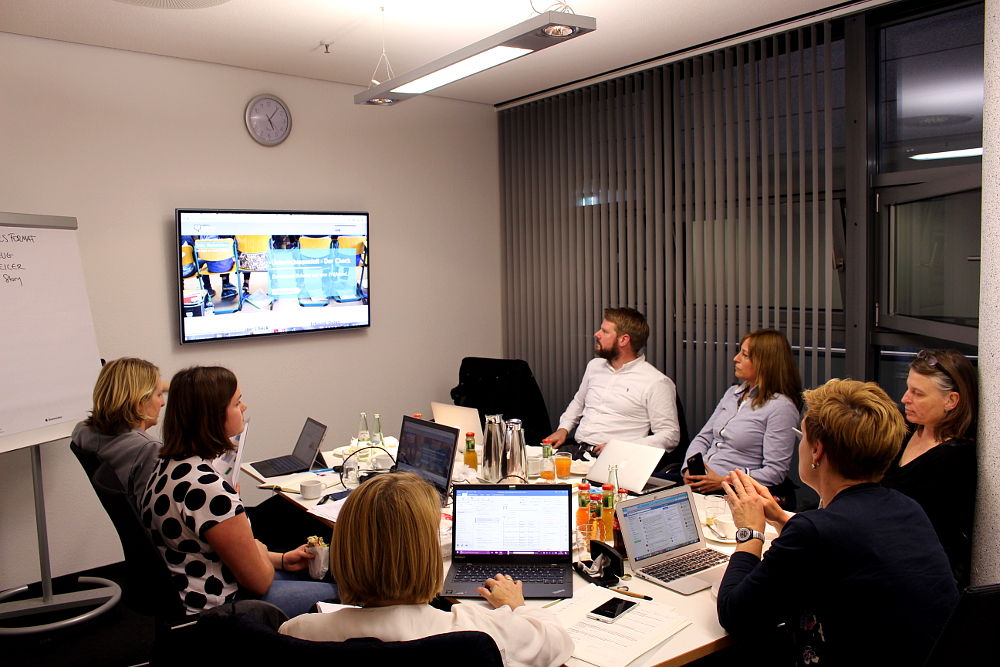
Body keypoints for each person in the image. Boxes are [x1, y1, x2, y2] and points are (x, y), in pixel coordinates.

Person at [717, 379, 958, 666]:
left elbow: (736, 615)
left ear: (818, 449)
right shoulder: (907, 508)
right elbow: (839, 554)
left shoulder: (815, 533)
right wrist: (781, 519)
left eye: (803, 438)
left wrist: (750, 532)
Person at [279, 473, 574, 667]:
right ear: (428, 553)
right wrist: (517, 607)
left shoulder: (298, 633)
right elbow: (557, 642)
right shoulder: (476, 632)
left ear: (344, 548)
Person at [140, 366, 336, 618]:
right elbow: (260, 582)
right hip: (221, 608)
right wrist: (259, 549)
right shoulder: (208, 489)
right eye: (237, 403)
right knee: (343, 595)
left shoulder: (168, 465)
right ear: (212, 416)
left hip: (190, 588)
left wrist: (281, 559)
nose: (243, 408)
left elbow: (220, 551)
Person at [882, 349, 977, 588]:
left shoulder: (953, 458)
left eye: (918, 393)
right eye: (907, 388)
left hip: (917, 579)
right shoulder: (908, 430)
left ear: (951, 401)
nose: (904, 399)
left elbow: (923, 534)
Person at [680, 329, 801, 495]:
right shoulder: (732, 393)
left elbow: (775, 472)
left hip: (733, 491)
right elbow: (704, 437)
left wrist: (724, 481)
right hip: (699, 483)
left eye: (745, 355)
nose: (736, 358)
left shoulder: (781, 407)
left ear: (764, 362)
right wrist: (688, 468)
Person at [547, 307, 679, 456]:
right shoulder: (594, 366)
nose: (597, 334)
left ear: (623, 340)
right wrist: (563, 429)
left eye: (605, 331)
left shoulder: (656, 382)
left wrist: (619, 447)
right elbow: (579, 402)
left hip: (616, 459)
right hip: (577, 451)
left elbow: (670, 436)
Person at [72, 357, 166, 507]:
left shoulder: (82, 431)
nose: (162, 403)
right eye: (159, 395)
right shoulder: (149, 449)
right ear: (140, 402)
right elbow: (153, 513)